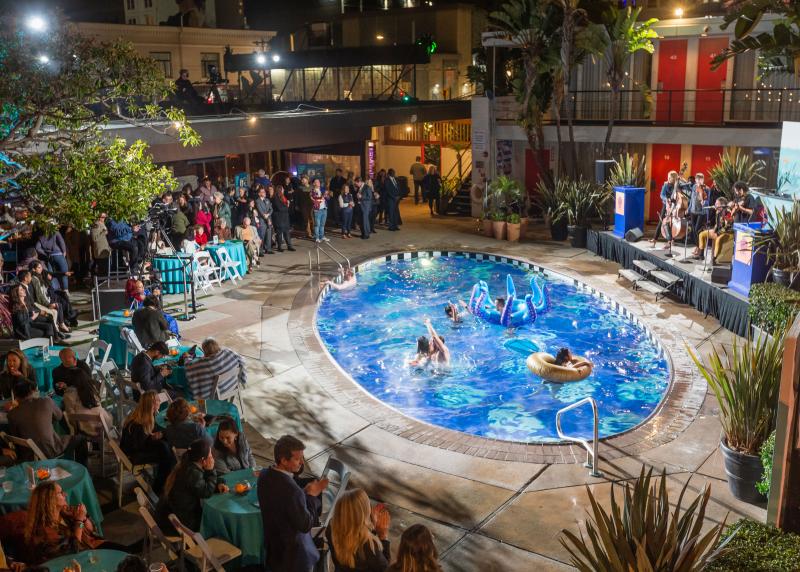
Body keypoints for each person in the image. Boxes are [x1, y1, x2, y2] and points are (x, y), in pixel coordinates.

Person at [258, 435, 328, 572]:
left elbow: (284, 503)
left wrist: (304, 492)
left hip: (273, 548)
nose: (302, 462)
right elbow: (305, 524)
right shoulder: (292, 491)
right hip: (293, 556)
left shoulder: (264, 475)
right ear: (283, 460)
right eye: (297, 459)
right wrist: (312, 496)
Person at [21, 481, 120, 564]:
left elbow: (92, 530)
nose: (65, 494)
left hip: (91, 546)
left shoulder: (63, 513)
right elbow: (72, 551)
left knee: (126, 555)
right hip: (78, 560)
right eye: (60, 493)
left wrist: (84, 518)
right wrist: (79, 521)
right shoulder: (45, 530)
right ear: (49, 500)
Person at [8, 381, 88, 465]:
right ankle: (81, 470)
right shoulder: (46, 401)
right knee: (81, 439)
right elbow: (59, 416)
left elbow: (15, 435)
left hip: (28, 455)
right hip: (51, 450)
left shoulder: (11, 414)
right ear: (32, 391)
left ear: (15, 396)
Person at [155, 438, 224, 534]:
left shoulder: (187, 465)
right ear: (203, 460)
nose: (212, 458)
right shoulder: (192, 473)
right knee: (215, 520)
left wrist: (218, 484)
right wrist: (211, 470)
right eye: (210, 455)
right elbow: (206, 492)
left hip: (168, 515)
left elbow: (200, 484)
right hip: (181, 523)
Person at [120, 390, 176, 494]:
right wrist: (153, 438)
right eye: (158, 401)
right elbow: (138, 445)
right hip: (133, 455)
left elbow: (142, 439)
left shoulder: (140, 414)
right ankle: (159, 488)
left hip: (134, 449)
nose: (160, 402)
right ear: (152, 405)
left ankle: (165, 483)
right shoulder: (139, 423)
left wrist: (153, 437)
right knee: (166, 453)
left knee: (165, 447)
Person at [326, 488, 391, 572]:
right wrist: (383, 536)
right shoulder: (368, 545)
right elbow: (385, 568)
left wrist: (373, 526)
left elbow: (352, 531)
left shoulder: (332, 527)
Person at [63, 369, 113, 436]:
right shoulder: (91, 388)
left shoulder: (69, 394)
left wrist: (74, 428)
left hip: (88, 429)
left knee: (64, 416)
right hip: (105, 425)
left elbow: (71, 415)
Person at [272, 185, 295, 252]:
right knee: (279, 232)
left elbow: (284, 207)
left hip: (285, 217)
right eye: (283, 189)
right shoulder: (275, 198)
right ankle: (279, 247)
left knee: (287, 232)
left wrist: (287, 205)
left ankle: (289, 246)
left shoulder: (283, 197)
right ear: (280, 190)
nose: (284, 190)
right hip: (279, 218)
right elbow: (279, 208)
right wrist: (287, 206)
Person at [688, 173, 707, 246]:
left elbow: (707, 200)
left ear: (703, 180)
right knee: (693, 230)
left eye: (701, 179)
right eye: (697, 179)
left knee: (697, 230)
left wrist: (704, 201)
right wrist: (689, 208)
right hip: (693, 211)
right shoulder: (694, 187)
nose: (699, 181)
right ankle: (697, 246)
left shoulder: (706, 188)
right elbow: (692, 199)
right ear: (695, 180)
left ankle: (700, 246)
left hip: (701, 212)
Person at [255, 185, 275, 255]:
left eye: (264, 192)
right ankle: (260, 250)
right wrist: (265, 216)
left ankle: (268, 249)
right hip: (262, 220)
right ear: (259, 193)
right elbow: (260, 211)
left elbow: (271, 209)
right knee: (262, 236)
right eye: (262, 192)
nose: (264, 193)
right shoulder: (257, 201)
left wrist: (268, 215)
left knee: (268, 235)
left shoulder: (267, 200)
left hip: (268, 219)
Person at [311, 179, 330, 244]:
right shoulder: (313, 191)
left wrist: (327, 196)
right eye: (316, 182)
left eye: (319, 181)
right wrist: (323, 197)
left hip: (324, 209)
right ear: (314, 184)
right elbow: (315, 200)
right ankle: (317, 238)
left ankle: (322, 237)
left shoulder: (323, 189)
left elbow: (328, 198)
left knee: (322, 225)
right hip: (317, 210)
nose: (318, 183)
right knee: (317, 225)